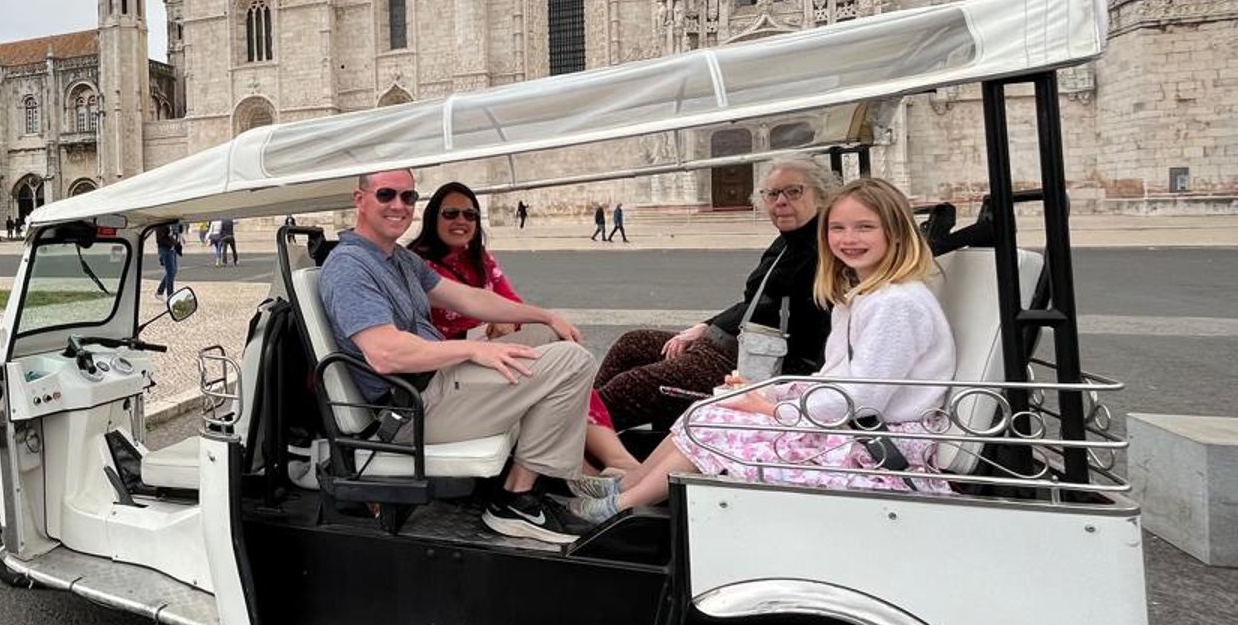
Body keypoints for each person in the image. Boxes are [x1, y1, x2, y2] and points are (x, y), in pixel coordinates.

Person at [572, 179, 956, 521]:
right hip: (854, 424)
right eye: (838, 228)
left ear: (898, 235)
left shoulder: (895, 305)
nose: (848, 238)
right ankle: (629, 485)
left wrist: (772, 409)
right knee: (712, 408)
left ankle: (622, 506)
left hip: (878, 443)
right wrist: (767, 394)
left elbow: (861, 399)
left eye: (865, 228)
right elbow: (835, 378)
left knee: (717, 425)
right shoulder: (861, 297)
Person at [319, 169, 606, 546]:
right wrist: (474, 348)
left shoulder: (398, 259)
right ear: (360, 200)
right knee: (572, 362)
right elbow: (386, 353)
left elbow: (469, 298)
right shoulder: (350, 267)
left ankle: (556, 468)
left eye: (408, 197)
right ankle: (517, 500)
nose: (398, 206)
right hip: (411, 410)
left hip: (435, 384)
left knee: (548, 336)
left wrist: (544, 315)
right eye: (386, 194)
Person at [594, 157, 838, 436]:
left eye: (793, 191)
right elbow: (756, 303)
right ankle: (577, 419)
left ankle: (573, 434)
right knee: (633, 344)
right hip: (732, 346)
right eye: (772, 194)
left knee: (632, 385)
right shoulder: (786, 242)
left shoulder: (827, 250)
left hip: (754, 367)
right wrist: (706, 326)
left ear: (821, 194)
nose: (780, 201)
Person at [407, 183, 636, 475]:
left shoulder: (479, 259)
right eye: (450, 213)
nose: (461, 221)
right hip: (451, 363)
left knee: (556, 339)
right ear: (432, 218)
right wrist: (492, 321)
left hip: (483, 351)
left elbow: (510, 303)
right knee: (566, 363)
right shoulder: (419, 265)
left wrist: (535, 318)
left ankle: (610, 457)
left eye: (470, 214)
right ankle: (584, 466)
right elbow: (466, 307)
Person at [152, 220, 182, 298]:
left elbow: (177, 232)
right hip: (165, 249)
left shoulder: (172, 223)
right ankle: (170, 296)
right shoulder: (162, 224)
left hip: (172, 249)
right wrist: (172, 244)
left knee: (173, 271)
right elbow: (160, 239)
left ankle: (160, 292)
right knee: (170, 272)